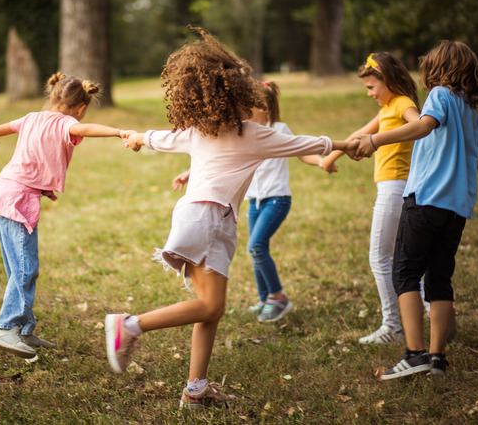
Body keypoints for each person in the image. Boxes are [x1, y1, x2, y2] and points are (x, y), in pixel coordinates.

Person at [104, 27, 358, 409]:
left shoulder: (200, 131)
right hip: (209, 218)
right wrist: (345, 145)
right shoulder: (253, 134)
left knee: (212, 308)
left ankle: (196, 388)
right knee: (209, 307)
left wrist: (137, 137)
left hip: (204, 217)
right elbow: (304, 143)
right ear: (236, 96)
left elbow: (158, 137)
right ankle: (129, 325)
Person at [355, 41, 478, 379]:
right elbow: (472, 165)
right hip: (456, 208)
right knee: (439, 280)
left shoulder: (440, 96)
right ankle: (437, 359)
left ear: (439, 69)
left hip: (426, 199)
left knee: (405, 272)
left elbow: (423, 126)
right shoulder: (473, 116)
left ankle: (414, 354)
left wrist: (376, 140)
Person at [0, 73, 134, 359]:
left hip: (4, 193)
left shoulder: (30, 117)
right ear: (81, 108)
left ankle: (24, 330)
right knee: (24, 268)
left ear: (53, 95)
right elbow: (89, 129)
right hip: (18, 198)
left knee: (18, 269)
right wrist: (121, 132)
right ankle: (6, 328)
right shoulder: (68, 123)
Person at [172, 81, 336, 323]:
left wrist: (321, 161)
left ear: (265, 107)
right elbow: (220, 157)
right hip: (254, 202)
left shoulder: (279, 129)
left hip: (277, 199)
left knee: (256, 246)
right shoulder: (242, 131)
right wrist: (189, 173)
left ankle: (278, 298)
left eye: (250, 104)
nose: (245, 108)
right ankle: (264, 299)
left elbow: (301, 150)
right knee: (257, 249)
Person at [320, 52, 430, 344]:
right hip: (393, 187)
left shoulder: (403, 103)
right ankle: (426, 307)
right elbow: (360, 134)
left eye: (371, 87)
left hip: (396, 186)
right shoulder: (389, 106)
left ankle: (393, 326)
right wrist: (330, 158)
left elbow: (419, 125)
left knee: (381, 258)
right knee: (401, 257)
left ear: (389, 80)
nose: (369, 93)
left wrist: (379, 140)